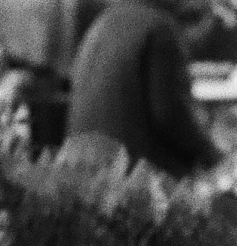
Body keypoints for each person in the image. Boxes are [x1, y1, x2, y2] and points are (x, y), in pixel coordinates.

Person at [66, 0, 224, 177]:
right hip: (136, 177)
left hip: (86, 171)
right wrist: (214, 156)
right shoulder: (160, 29)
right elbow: (171, 116)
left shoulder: (106, 20)